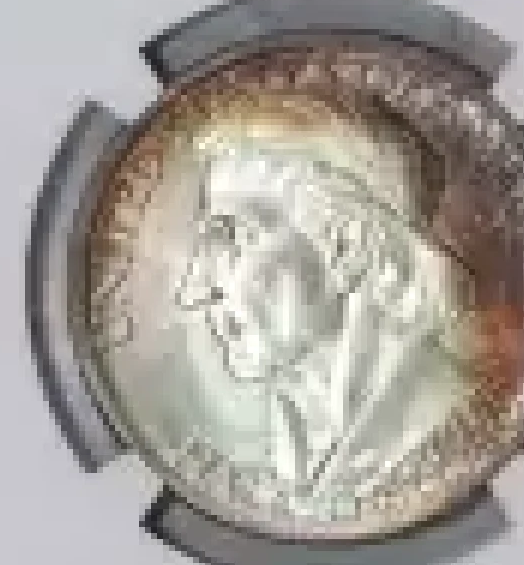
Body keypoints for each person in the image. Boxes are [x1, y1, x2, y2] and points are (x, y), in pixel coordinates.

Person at [173, 107, 479, 505]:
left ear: (345, 247)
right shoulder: (292, 454)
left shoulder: (450, 426)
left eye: (234, 241)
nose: (194, 292)